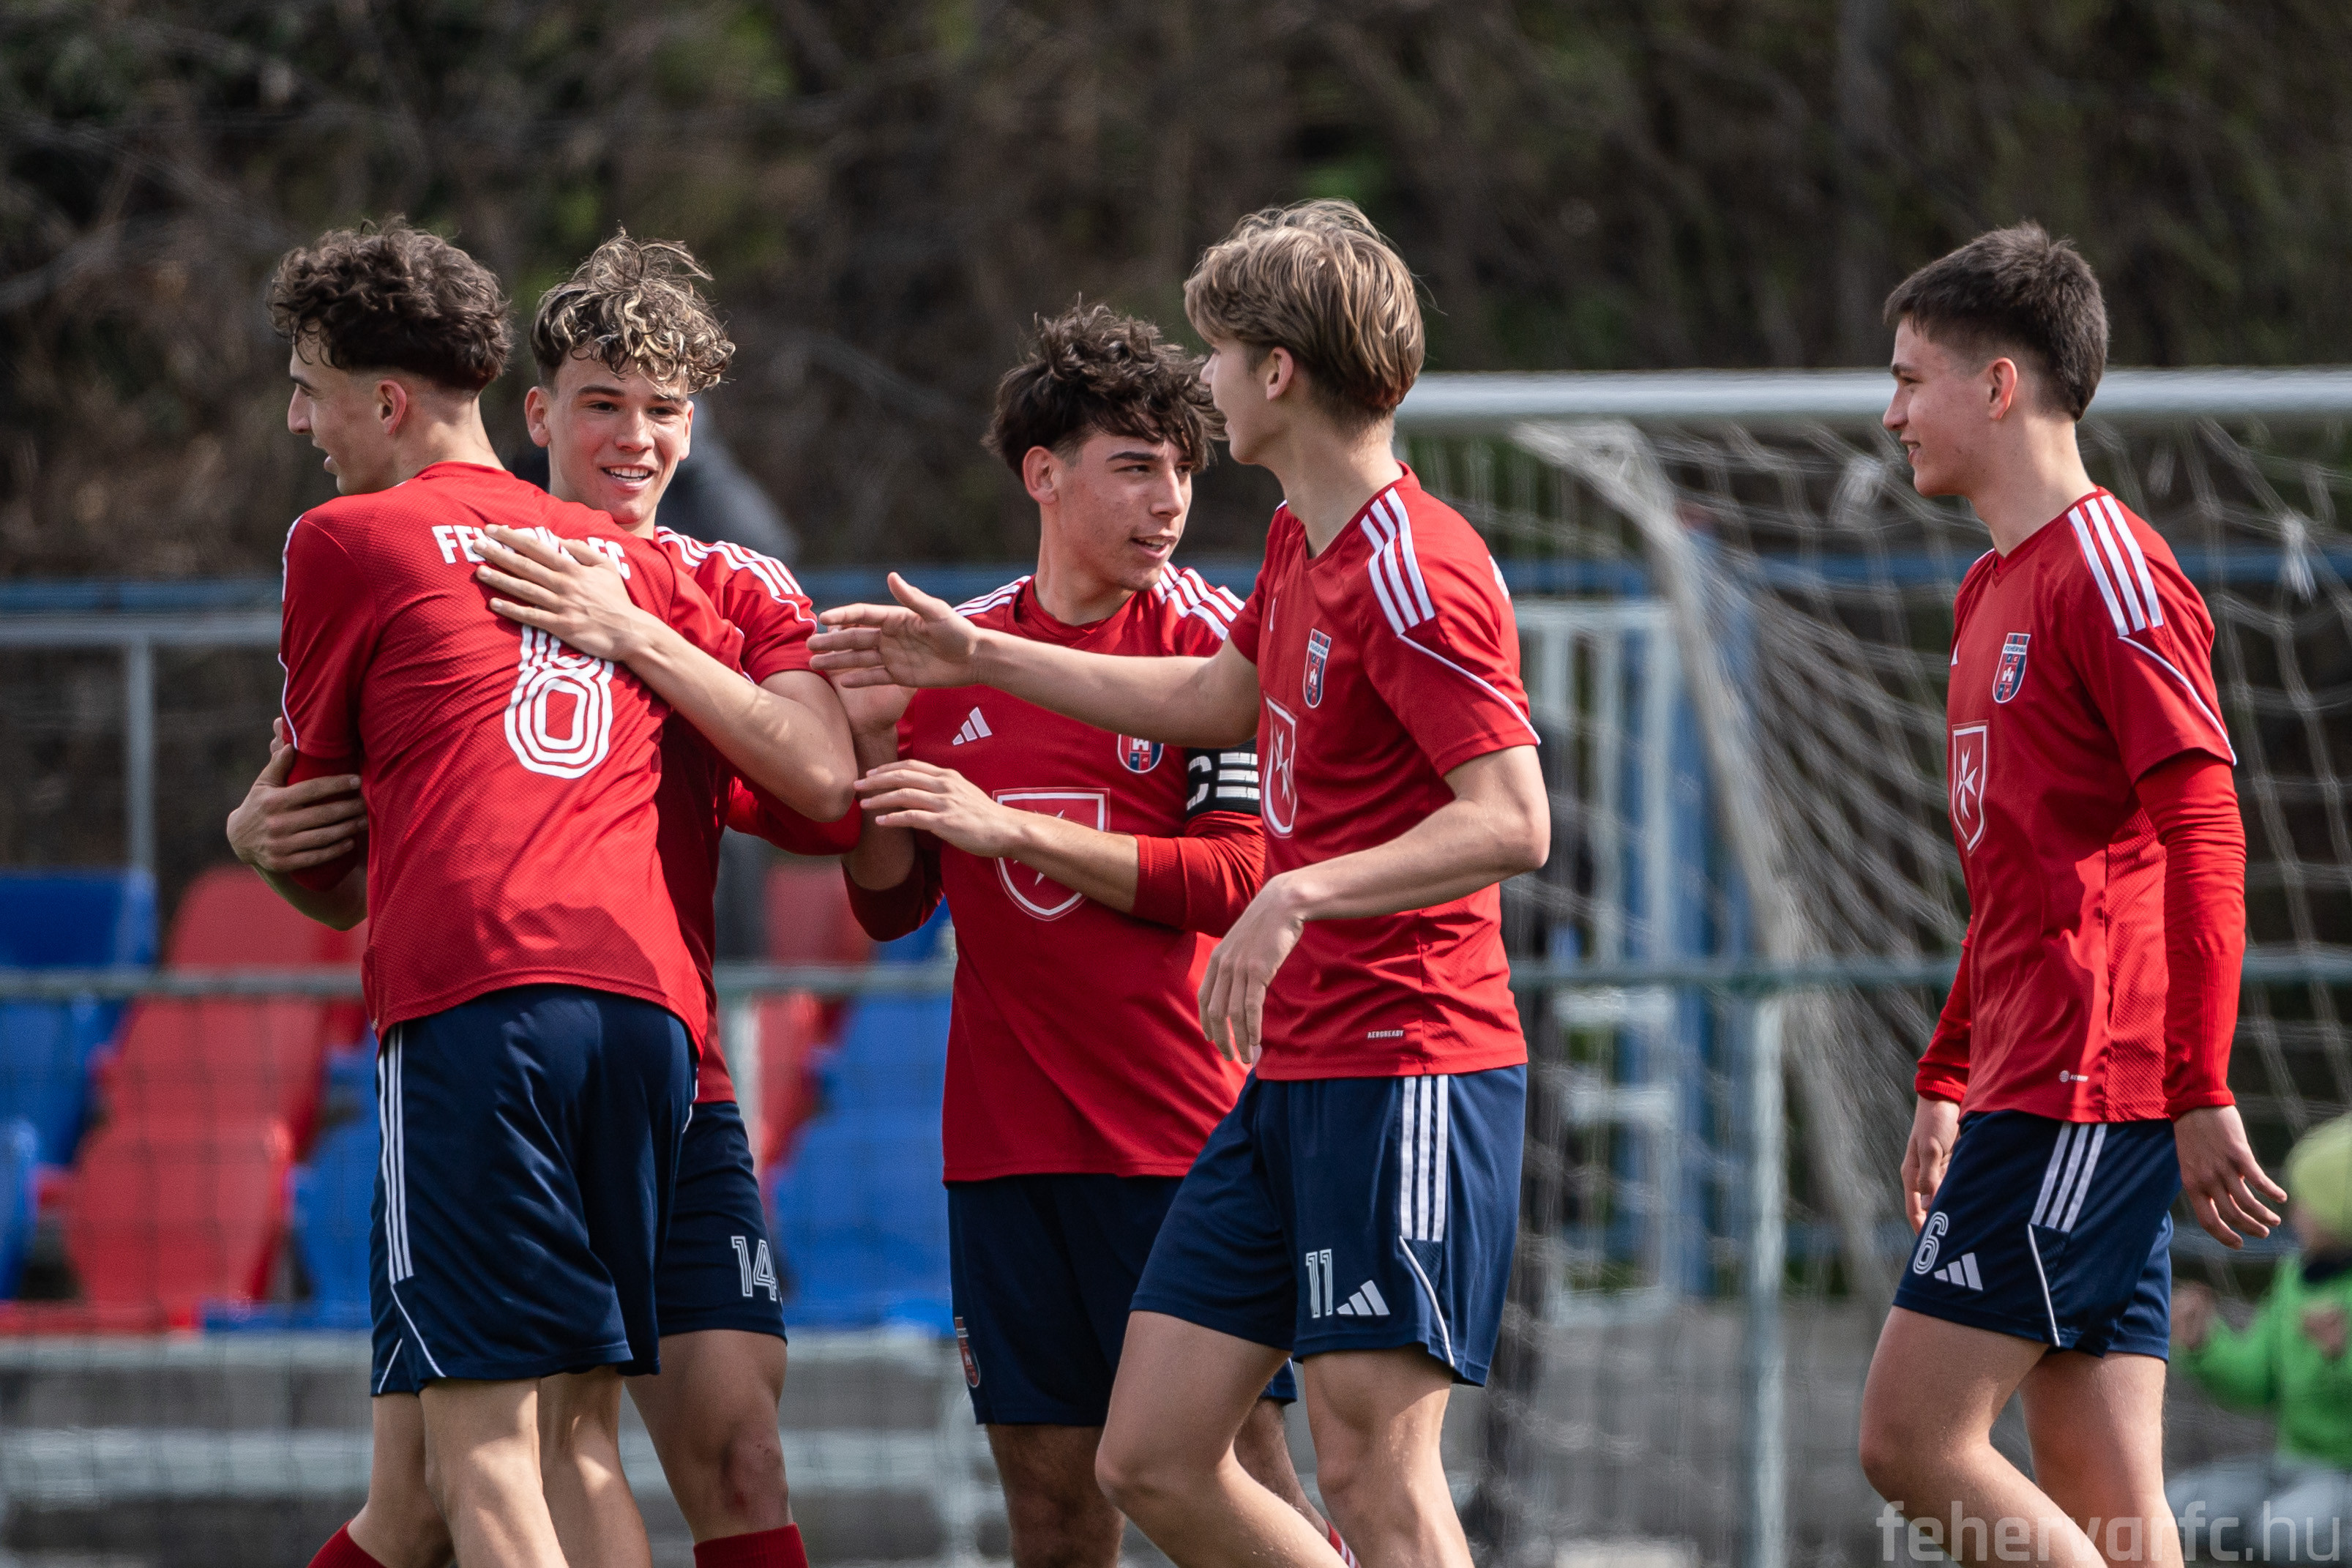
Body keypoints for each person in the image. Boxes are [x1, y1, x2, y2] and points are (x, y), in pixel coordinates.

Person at [811, 201, 1550, 1568]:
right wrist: (977, 659)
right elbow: (1215, 697)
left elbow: (1512, 819)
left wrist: (1294, 892)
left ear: (1276, 370)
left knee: (1369, 1474)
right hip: (1289, 1080)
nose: (1202, 385)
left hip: (1403, 1058)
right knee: (1146, 1457)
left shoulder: (1412, 565)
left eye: (1215, 354)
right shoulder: (1301, 547)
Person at [234, 233, 855, 1568]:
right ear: (535, 410)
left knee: (538, 1460)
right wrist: (266, 832)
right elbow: (331, 845)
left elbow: (825, 793)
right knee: (474, 1476)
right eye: (602, 403)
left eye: (665, 409)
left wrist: (637, 635)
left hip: (532, 1023)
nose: (635, 437)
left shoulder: (691, 579)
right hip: (618, 1031)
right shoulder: (586, 561)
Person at [799, 302, 1335, 1568]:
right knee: (1049, 1518)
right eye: (1134, 466)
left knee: (1235, 1482)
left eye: (1182, 468)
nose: (1169, 500)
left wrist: (1012, 830)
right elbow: (892, 901)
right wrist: (870, 756)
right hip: (1006, 1149)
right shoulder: (955, 650)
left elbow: (1236, 877)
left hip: (1183, 1139)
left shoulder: (1211, 645)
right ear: (1042, 474)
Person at [1855, 223, 2288, 1568]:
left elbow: (2203, 829)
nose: (1890, 412)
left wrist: (2196, 1081)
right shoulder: (1991, 588)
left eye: (1909, 378)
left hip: (2083, 1093)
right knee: (2111, 1505)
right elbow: (2020, 883)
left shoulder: (2109, 573)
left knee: (1909, 1437)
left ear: (1998, 386)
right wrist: (1947, 1069)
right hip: (2032, 1084)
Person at [2168, 1113, 2352, 1565]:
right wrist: (2204, 1343)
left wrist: (2341, 1355)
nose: (2296, 1212)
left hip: (2343, 1473)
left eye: (2308, 1200)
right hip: (2291, 1464)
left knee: (2282, 1533)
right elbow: (2256, 1382)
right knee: (2179, 1506)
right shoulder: (2294, 1275)